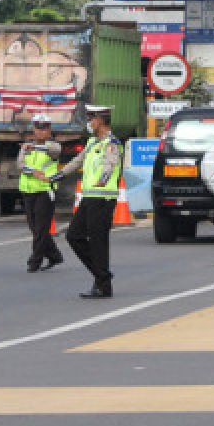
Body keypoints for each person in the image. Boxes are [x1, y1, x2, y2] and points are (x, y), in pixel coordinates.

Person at [59, 104, 124, 298]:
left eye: (91, 119)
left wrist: (101, 182)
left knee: (98, 242)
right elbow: (78, 160)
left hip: (103, 198)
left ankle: (103, 283)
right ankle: (102, 276)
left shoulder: (111, 143)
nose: (89, 123)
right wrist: (59, 175)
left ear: (101, 121)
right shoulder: (92, 143)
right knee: (74, 236)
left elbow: (110, 167)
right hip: (89, 198)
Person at [19, 113, 64, 273]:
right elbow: (20, 164)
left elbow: (55, 150)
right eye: (38, 128)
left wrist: (33, 147)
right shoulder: (27, 146)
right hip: (28, 190)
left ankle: (35, 261)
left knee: (40, 229)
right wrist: (33, 171)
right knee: (35, 228)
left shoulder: (53, 147)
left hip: (45, 191)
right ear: (33, 129)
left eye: (44, 128)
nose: (41, 132)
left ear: (50, 130)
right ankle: (54, 255)